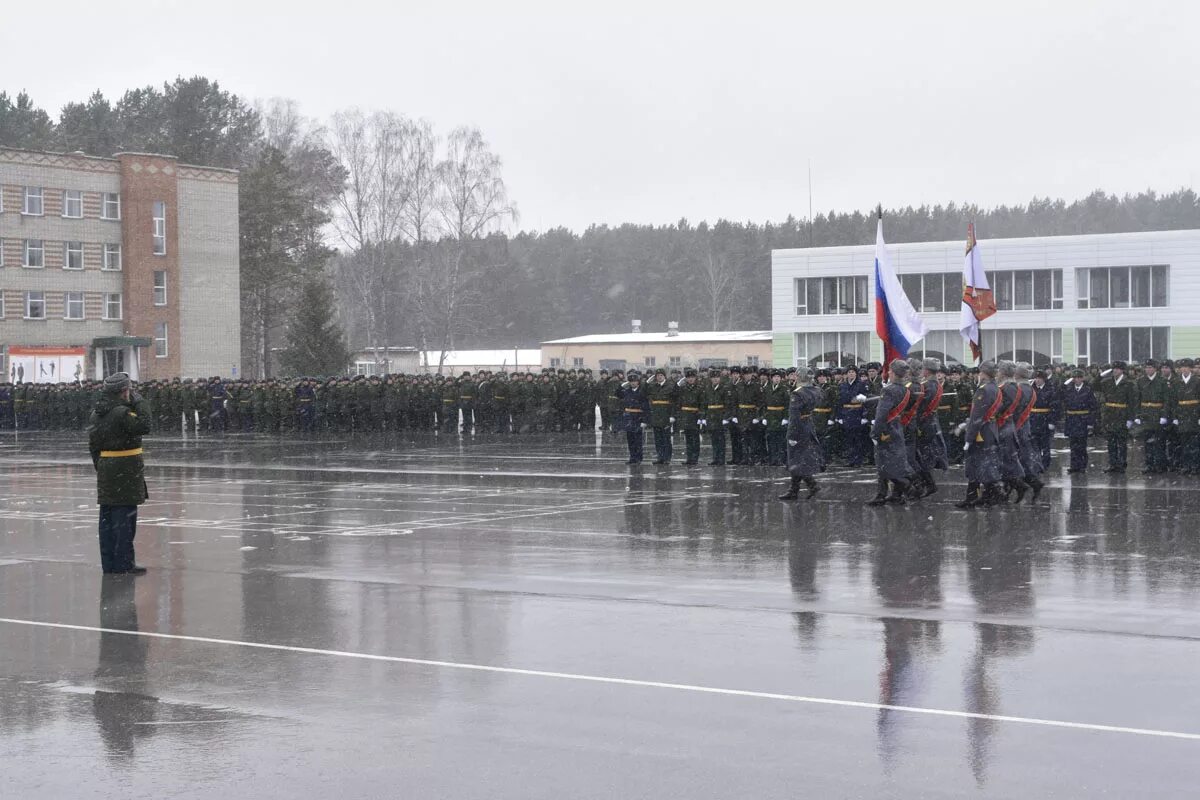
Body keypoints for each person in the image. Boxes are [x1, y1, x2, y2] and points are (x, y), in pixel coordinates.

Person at [87, 373, 152, 575]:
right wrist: (140, 402)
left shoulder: (97, 413)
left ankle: (110, 564)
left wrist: (102, 465)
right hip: (125, 469)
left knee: (107, 519)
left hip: (107, 466)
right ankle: (124, 563)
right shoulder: (122, 414)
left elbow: (93, 446)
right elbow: (144, 425)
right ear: (124, 391)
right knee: (125, 519)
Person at [956, 361, 1004, 508]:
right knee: (984, 464)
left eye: (980, 372)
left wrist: (968, 438)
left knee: (976, 465)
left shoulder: (983, 390)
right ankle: (987, 495)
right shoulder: (995, 388)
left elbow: (977, 416)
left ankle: (989, 493)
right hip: (990, 429)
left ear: (983, 374)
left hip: (980, 433)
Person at [867, 359, 914, 506]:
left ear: (893, 372)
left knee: (883, 463)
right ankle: (892, 494)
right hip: (896, 428)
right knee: (894, 462)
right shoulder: (905, 389)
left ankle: (906, 486)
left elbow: (881, 414)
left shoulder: (888, 390)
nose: (888, 372)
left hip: (885, 430)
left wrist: (875, 433)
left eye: (890, 370)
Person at [778, 367, 824, 500]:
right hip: (808, 425)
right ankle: (797, 488)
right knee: (800, 459)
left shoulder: (798, 393)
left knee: (796, 459)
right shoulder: (816, 390)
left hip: (799, 428)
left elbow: (794, 416)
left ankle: (809, 485)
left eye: (797, 375)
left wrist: (791, 435)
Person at [1095, 361, 1136, 474]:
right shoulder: (1108, 382)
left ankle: (1122, 464)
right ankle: (1113, 464)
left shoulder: (1128, 384)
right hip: (1110, 415)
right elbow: (1094, 386)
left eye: (1117, 369)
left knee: (1122, 442)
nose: (1115, 371)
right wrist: (1101, 375)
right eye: (1114, 369)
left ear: (1122, 370)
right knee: (1111, 442)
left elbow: (1132, 402)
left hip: (1122, 415)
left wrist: (1130, 418)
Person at [1062, 368, 1099, 473]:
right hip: (1072, 419)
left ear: (1083, 379)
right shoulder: (1068, 389)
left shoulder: (1088, 390)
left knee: (1082, 445)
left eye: (1079, 377)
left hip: (1083, 420)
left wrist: (1090, 423)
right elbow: (1059, 396)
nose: (1077, 380)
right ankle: (1074, 465)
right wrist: (1064, 384)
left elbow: (1093, 408)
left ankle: (1082, 465)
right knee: (1073, 445)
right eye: (1075, 378)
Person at [1136, 359, 1169, 474]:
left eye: (1150, 367)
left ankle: (1159, 464)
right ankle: (1149, 464)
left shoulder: (1162, 381)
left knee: (1159, 442)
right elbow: (1137, 399)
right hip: (1146, 414)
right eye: (1146, 367)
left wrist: (1164, 415)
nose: (1148, 369)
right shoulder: (1140, 381)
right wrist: (1138, 415)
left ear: (1155, 369)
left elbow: (1166, 400)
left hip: (1158, 413)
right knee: (1147, 441)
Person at [1171, 358, 1199, 475]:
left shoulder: (1197, 381)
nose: (1184, 369)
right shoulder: (1176, 382)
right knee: (1184, 443)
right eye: (1182, 367)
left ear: (1191, 368)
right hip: (1182, 415)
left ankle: (1195, 466)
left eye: (1186, 367)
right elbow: (1173, 401)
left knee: (1194, 443)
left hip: (1194, 414)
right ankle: (1186, 465)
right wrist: (1175, 416)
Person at [619, 371, 650, 464]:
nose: (633, 383)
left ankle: (638, 458)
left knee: (638, 440)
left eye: (635, 381)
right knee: (630, 439)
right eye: (631, 381)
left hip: (638, 417)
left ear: (638, 382)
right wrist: (624, 384)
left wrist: (645, 420)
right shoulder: (626, 391)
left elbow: (646, 407)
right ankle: (632, 457)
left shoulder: (642, 392)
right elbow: (617, 392)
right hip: (629, 418)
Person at [646, 368, 676, 464]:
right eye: (658, 375)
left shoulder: (670, 386)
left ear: (664, 376)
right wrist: (646, 382)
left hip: (665, 415)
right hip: (656, 415)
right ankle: (660, 457)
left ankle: (667, 458)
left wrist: (672, 415)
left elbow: (674, 402)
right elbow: (644, 392)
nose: (659, 377)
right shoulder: (652, 386)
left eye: (661, 375)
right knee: (658, 439)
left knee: (666, 438)